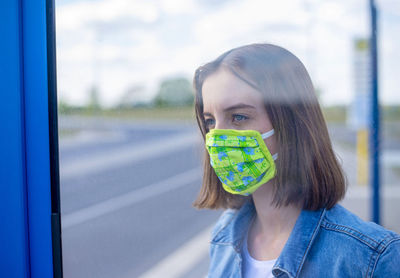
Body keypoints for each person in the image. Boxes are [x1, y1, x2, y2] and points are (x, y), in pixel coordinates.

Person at [192, 43, 400, 278]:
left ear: (292, 123)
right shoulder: (223, 236)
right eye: (210, 121)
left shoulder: (372, 257)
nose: (217, 137)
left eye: (239, 117)